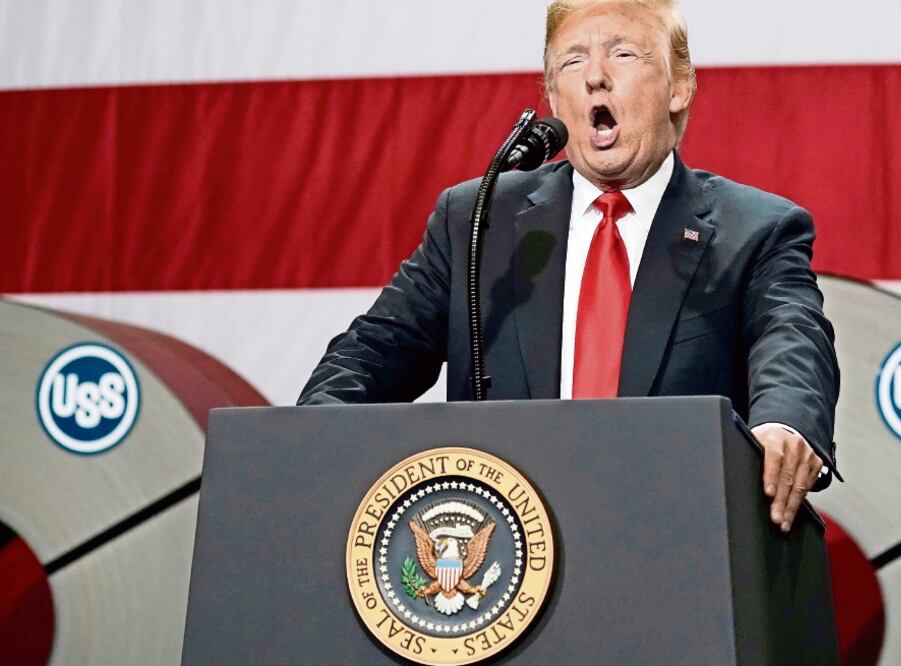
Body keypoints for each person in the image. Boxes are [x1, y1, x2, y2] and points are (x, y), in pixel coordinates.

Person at [299, 0, 840, 531]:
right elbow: (375, 350)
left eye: (623, 54)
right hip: (505, 553)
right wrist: (306, 441)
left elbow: (791, 337)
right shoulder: (477, 220)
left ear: (679, 86)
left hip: (675, 537)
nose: (595, 76)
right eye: (573, 61)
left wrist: (784, 423)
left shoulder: (755, 230)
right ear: (555, 97)